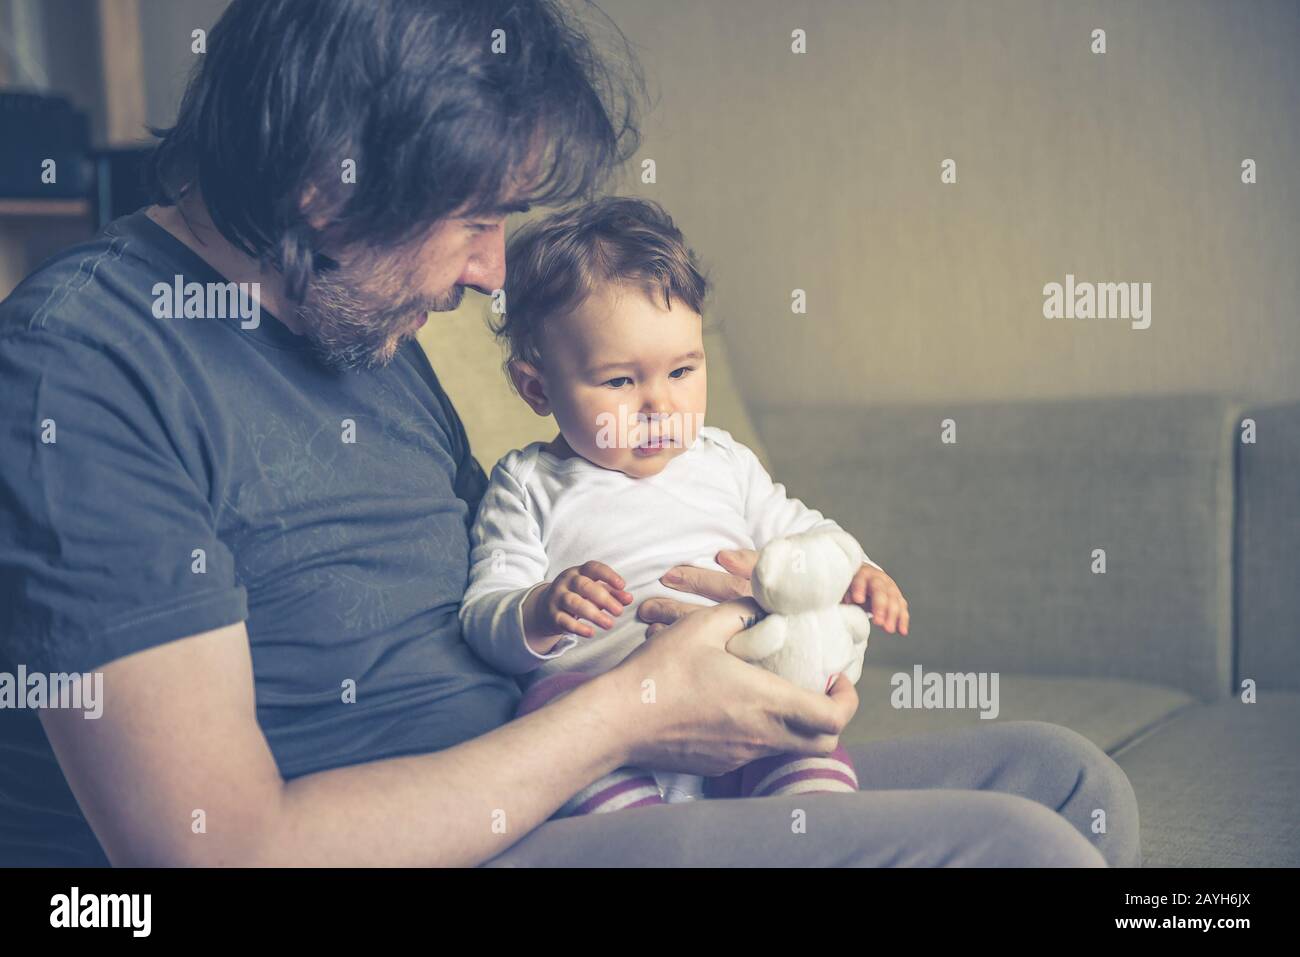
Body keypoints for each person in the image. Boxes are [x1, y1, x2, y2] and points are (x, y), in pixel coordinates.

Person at [0, 0, 1139, 868]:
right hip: (434, 841)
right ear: (322, 184)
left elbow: (512, 578)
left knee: (1066, 784)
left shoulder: (363, 335)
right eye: (475, 220)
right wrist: (634, 715)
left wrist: (712, 649)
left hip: (556, 776)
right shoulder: (88, 364)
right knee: (1018, 855)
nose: (490, 273)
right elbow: (220, 848)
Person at [460, 196, 904, 813]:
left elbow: (808, 539)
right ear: (537, 387)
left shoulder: (723, 460)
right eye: (620, 381)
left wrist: (859, 571)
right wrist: (538, 611)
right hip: (608, 728)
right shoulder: (528, 485)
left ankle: (820, 836)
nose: (661, 406)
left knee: (804, 729)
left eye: (683, 370)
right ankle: (644, 836)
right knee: (545, 704)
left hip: (742, 701)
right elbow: (483, 615)